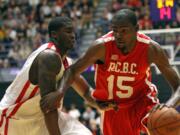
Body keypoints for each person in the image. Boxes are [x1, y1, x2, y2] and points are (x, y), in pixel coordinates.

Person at [40, 9, 180, 135]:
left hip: (141, 102)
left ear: (136, 29)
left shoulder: (151, 49)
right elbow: (72, 71)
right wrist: (59, 92)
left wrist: (169, 105)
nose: (118, 35)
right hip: (114, 107)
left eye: (124, 31)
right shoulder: (102, 47)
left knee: (163, 124)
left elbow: (178, 86)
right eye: (115, 30)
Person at [0, 16, 116, 135]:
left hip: (41, 118)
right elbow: (49, 108)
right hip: (15, 119)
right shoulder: (49, 57)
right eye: (68, 31)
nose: (73, 35)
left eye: (73, 31)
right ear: (55, 35)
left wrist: (98, 103)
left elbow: (86, 92)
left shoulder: (67, 62)